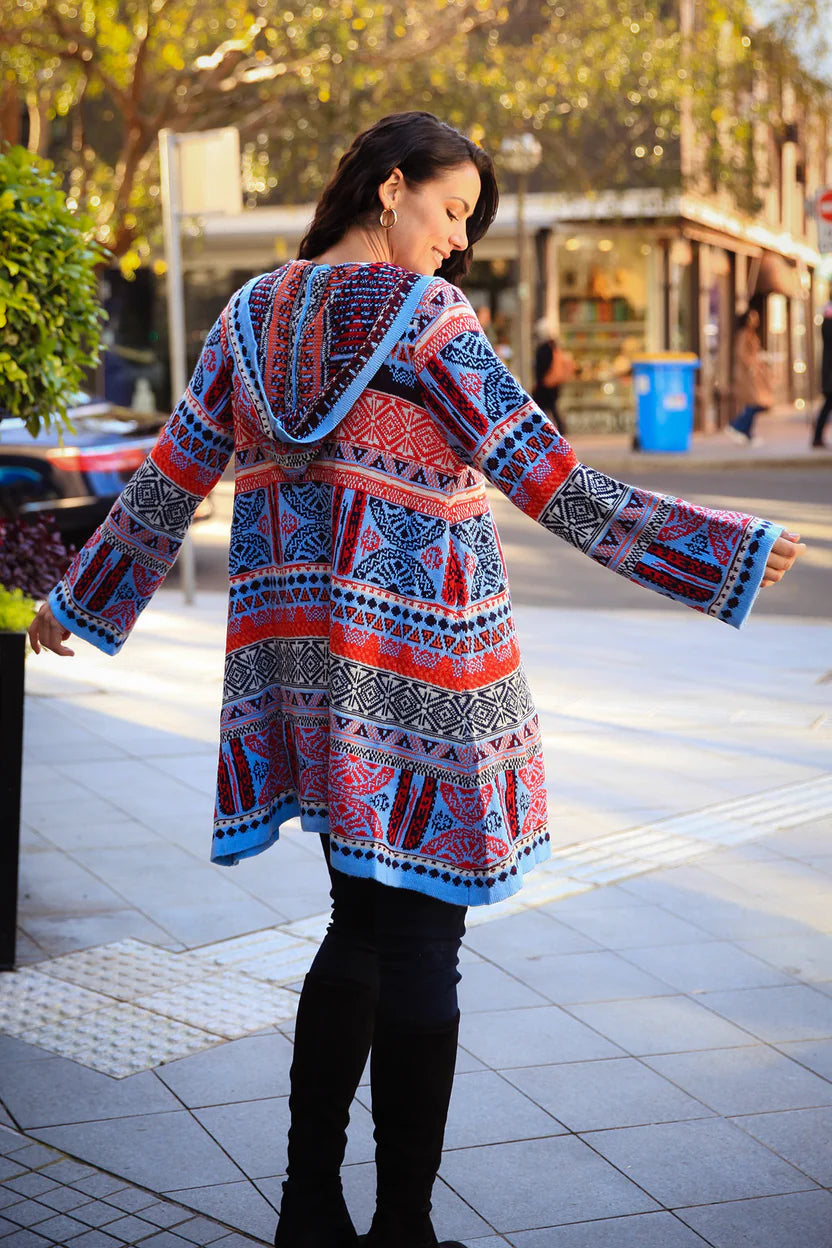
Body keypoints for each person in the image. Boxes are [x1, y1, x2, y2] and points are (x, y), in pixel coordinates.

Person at [29, 112, 805, 1248]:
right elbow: (552, 481)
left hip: (301, 671)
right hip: (425, 673)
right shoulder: (424, 317)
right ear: (389, 189)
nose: (457, 243)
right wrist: (717, 550)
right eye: (451, 211)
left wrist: (76, 597)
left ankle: (307, 1209)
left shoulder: (248, 318)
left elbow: (171, 476)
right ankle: (400, 1225)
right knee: (423, 946)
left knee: (355, 926)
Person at [727, 307, 773, 444]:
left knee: (757, 403)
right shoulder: (744, 334)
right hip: (748, 376)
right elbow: (742, 354)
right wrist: (752, 366)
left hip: (755, 375)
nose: (756, 320)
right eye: (753, 317)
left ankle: (746, 432)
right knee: (756, 403)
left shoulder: (751, 334)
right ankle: (736, 426)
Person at [532, 317, 574, 435]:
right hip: (552, 382)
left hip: (546, 383)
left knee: (540, 408)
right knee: (550, 408)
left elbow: (543, 367)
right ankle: (555, 429)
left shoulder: (544, 348)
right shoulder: (553, 346)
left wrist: (539, 381)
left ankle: (539, 429)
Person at [811, 300, 832, 449]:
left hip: (829, 372)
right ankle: (817, 436)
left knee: (827, 405)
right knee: (827, 405)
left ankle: (817, 436)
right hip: (830, 373)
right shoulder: (829, 322)